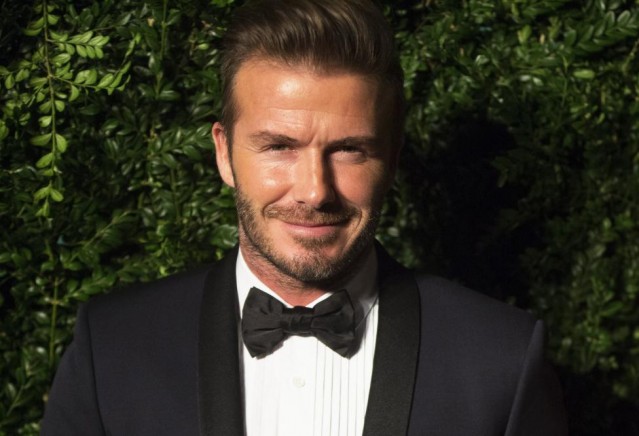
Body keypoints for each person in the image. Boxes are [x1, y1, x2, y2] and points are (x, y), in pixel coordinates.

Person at [41, 0, 568, 434]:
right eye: (279, 146)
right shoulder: (112, 349)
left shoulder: (502, 359)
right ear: (224, 153)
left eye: (350, 150)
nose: (315, 191)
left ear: (392, 158)